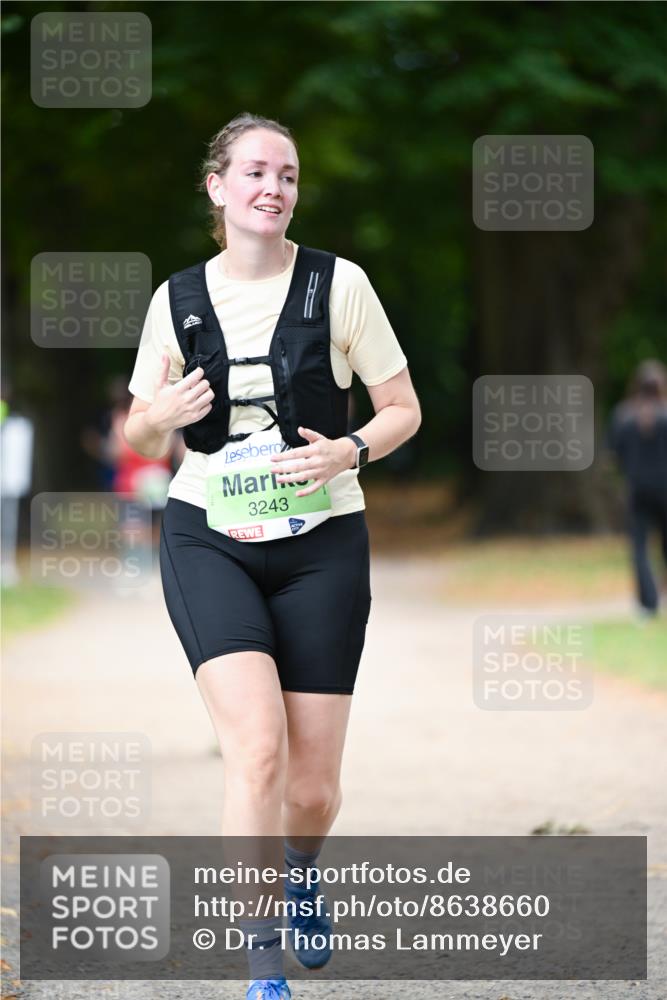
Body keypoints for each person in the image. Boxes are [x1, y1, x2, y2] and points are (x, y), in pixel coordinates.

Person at [123, 112, 421, 999]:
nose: (272, 189)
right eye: (254, 172)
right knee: (256, 752)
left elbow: (401, 407)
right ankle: (261, 962)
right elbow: (137, 425)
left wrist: (350, 449)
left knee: (312, 787)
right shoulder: (175, 298)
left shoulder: (341, 286)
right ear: (216, 187)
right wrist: (159, 420)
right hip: (206, 533)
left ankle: (301, 866)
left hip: (322, 540)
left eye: (287, 176)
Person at [607, 359, 667, 616]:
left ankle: (648, 603)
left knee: (639, 547)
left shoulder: (623, 416)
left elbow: (614, 456)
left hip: (638, 489)